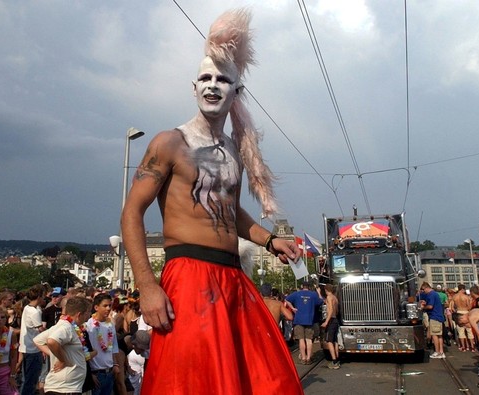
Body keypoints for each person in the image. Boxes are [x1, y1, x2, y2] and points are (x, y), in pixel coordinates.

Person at [120, 8, 303, 395]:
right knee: (190, 382)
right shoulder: (169, 142)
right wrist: (147, 286)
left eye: (223, 79)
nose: (213, 85)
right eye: (205, 77)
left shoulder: (234, 152)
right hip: (187, 277)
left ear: (236, 92)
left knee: (264, 381)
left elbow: (230, 213)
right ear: (193, 86)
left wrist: (269, 240)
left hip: (232, 278)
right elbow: (132, 213)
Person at [33, 297, 94, 395]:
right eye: (88, 312)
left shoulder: (68, 326)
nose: (89, 315)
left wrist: (54, 354)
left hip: (68, 388)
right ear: (79, 314)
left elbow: (38, 340)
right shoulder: (66, 327)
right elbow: (51, 341)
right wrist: (62, 359)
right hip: (64, 389)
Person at [86, 294, 120, 395]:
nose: (108, 308)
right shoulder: (89, 326)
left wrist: (115, 364)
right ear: (96, 307)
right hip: (96, 374)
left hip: (109, 372)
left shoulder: (111, 325)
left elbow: (113, 347)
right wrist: (90, 374)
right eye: (105, 306)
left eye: (110, 305)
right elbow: (85, 350)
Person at [285, 281, 324, 365]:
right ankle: (308, 358)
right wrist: (319, 292)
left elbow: (287, 299)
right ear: (309, 287)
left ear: (302, 286)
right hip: (310, 320)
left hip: (298, 320)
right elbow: (321, 301)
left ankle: (303, 357)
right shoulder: (313, 294)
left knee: (301, 340)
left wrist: (293, 308)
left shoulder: (296, 294)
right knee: (309, 340)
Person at [19, 284, 45, 395]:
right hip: (32, 349)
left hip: (27, 348)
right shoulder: (34, 312)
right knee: (30, 381)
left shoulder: (28, 308)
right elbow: (41, 330)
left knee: (28, 380)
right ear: (39, 296)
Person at [419, 282, 446, 358]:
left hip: (434, 316)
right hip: (439, 316)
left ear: (426, 287)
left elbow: (430, 306)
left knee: (434, 335)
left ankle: (437, 352)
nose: (423, 291)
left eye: (423, 290)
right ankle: (441, 352)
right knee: (439, 335)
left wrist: (423, 307)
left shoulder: (431, 295)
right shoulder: (435, 294)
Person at [451, 284, 476, 352]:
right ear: (463, 289)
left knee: (461, 332)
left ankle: (463, 346)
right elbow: (469, 307)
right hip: (466, 313)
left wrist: (456, 311)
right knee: (469, 331)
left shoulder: (454, 297)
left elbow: (452, 308)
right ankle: (472, 347)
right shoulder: (466, 297)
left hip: (459, 312)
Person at [321, 284, 340, 369]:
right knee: (335, 340)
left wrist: (326, 321)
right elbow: (336, 310)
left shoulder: (329, 297)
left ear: (326, 290)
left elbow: (331, 309)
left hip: (331, 320)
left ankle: (334, 361)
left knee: (329, 341)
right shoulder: (335, 298)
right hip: (335, 320)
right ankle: (337, 357)